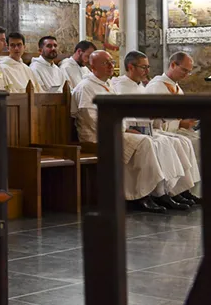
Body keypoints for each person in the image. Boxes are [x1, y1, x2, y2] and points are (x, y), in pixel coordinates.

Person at [71, 51, 194, 212]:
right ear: (92, 66)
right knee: (145, 142)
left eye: (112, 63)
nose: (111, 66)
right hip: (98, 136)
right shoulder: (86, 87)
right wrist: (125, 128)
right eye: (105, 63)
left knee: (164, 140)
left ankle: (165, 191)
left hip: (118, 130)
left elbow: (119, 112)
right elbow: (91, 119)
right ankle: (142, 196)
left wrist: (128, 127)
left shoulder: (106, 85)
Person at [111, 51, 201, 202]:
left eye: (148, 67)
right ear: (130, 67)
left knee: (180, 142)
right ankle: (155, 193)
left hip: (146, 129)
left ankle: (178, 189)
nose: (147, 71)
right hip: (131, 130)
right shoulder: (120, 87)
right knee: (162, 142)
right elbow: (122, 114)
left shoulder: (140, 87)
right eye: (143, 67)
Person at [145, 52, 202, 198]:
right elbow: (151, 119)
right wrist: (180, 122)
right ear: (172, 65)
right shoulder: (156, 87)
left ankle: (193, 189)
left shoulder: (177, 88)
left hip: (176, 130)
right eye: (184, 70)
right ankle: (180, 190)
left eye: (189, 72)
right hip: (160, 132)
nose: (186, 74)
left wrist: (186, 121)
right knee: (194, 142)